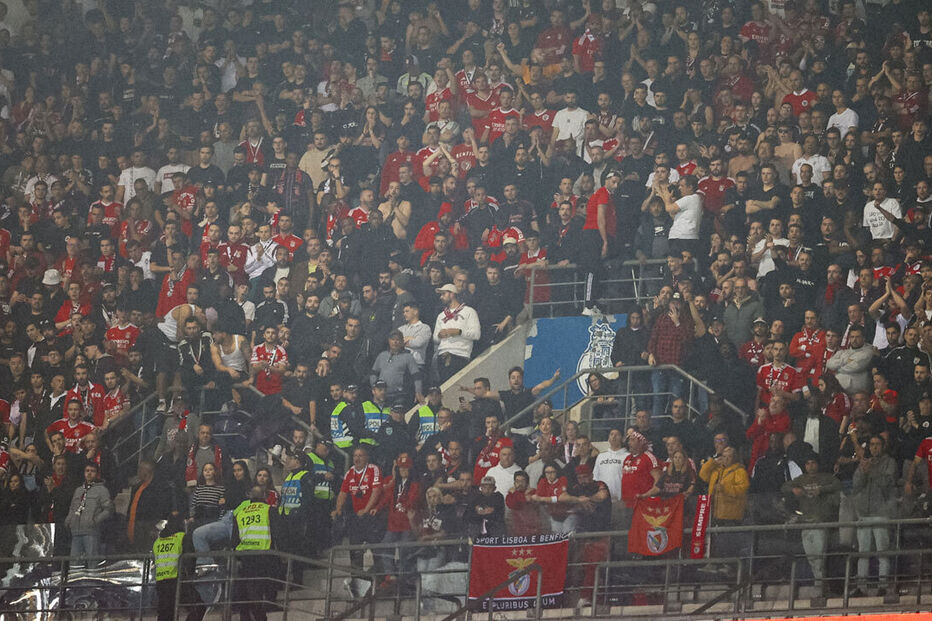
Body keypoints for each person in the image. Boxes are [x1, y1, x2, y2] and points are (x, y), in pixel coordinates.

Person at [781, 454, 841, 594]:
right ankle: (820, 585)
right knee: (811, 558)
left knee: (819, 557)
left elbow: (837, 484)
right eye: (807, 463)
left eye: (813, 463)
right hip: (805, 522)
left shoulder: (825, 477)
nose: (810, 466)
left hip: (820, 522)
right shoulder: (801, 479)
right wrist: (794, 490)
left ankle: (819, 587)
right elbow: (784, 486)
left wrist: (822, 490)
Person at [332, 446, 384, 598]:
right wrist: (338, 509)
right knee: (354, 552)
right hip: (357, 518)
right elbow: (343, 492)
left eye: (361, 455)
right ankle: (357, 587)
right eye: (355, 455)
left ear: (367, 457)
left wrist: (367, 509)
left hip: (372, 517)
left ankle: (380, 584)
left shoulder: (373, 469)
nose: (357, 458)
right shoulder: (350, 472)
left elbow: (376, 491)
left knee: (377, 551)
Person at [851, 435, 897, 596]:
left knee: (882, 552)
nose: (874, 447)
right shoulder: (864, 462)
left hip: (881, 512)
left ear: (883, 446)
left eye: (877, 444)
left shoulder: (890, 462)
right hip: (864, 513)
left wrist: (871, 471)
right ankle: (861, 587)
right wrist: (863, 471)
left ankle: (883, 586)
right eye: (872, 444)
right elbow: (856, 485)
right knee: (863, 552)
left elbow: (887, 483)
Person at [231, 485, 280, 621]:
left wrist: (237, 557)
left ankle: (246, 617)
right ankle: (260, 617)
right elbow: (277, 533)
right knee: (257, 589)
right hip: (263, 555)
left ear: (249, 497)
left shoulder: (240, 512)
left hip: (245, 556)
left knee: (246, 589)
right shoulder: (269, 510)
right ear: (264, 497)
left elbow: (234, 538)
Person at [153, 515, 205, 621]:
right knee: (198, 607)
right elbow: (190, 559)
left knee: (165, 614)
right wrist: (191, 575)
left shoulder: (157, 542)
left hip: (161, 582)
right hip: (178, 580)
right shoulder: (182, 537)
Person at [65, 462, 114, 567]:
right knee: (74, 563)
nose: (89, 473)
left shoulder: (102, 490)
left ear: (97, 473)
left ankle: (92, 580)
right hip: (76, 530)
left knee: (92, 561)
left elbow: (108, 509)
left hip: (91, 531)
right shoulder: (78, 490)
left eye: (92, 471)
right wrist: (69, 520)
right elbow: (72, 507)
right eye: (87, 471)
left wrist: (95, 521)